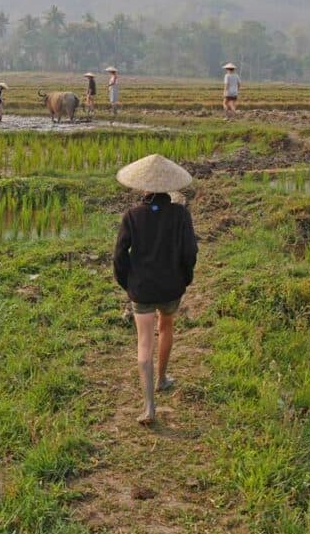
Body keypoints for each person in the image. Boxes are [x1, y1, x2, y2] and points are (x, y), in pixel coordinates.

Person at [113, 154, 198, 425]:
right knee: (167, 326)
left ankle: (149, 407)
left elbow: (119, 255)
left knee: (144, 341)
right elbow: (190, 252)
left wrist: (127, 282)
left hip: (142, 289)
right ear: (169, 187)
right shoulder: (180, 214)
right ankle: (162, 378)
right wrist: (185, 279)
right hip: (171, 287)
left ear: (143, 187)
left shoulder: (132, 215)